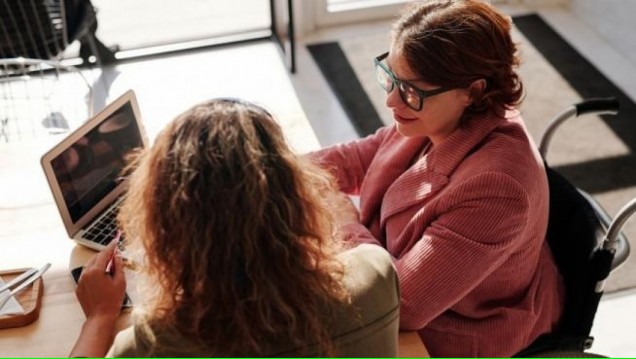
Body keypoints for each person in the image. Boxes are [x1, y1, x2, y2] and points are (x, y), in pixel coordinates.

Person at [309, 0, 565, 357]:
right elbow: (353, 159)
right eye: (390, 77)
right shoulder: (430, 112)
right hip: (399, 287)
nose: (391, 101)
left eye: (410, 90)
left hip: (452, 331)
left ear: (473, 91)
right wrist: (269, 170)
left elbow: (401, 307)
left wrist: (342, 219)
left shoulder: (497, 187)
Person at [68, 98, 400, 357]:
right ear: (299, 194)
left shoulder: (154, 343)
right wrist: (345, 219)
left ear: (167, 224)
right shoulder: (376, 275)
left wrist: (98, 319)